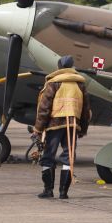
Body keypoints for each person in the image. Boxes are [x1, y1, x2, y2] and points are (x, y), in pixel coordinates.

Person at [33, 55, 91, 199]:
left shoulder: (53, 83)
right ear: (71, 67)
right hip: (72, 125)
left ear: (59, 67)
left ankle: (48, 190)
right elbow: (85, 110)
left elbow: (44, 108)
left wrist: (38, 128)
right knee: (68, 157)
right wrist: (83, 129)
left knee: (48, 156)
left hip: (53, 125)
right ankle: (63, 192)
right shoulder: (80, 84)